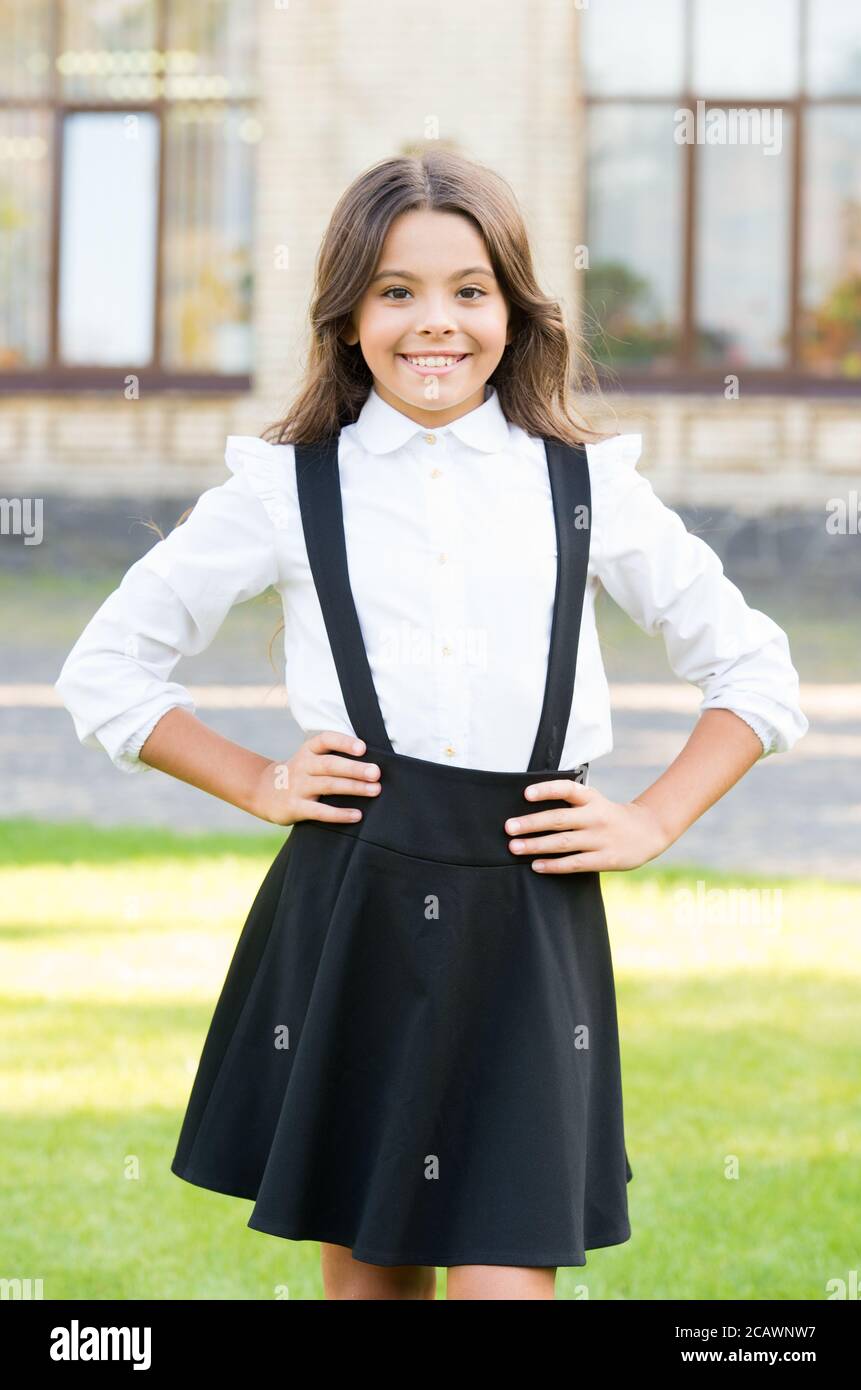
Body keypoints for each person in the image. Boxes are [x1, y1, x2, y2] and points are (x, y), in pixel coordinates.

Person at [54, 149, 809, 1301]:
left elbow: (753, 670)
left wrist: (652, 817)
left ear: (513, 306)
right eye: (395, 291)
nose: (433, 324)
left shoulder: (586, 484)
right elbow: (106, 666)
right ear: (348, 312)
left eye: (468, 290)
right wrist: (258, 780)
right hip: (353, 900)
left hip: (527, 911)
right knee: (371, 1286)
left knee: (508, 1282)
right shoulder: (287, 486)